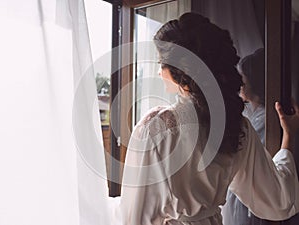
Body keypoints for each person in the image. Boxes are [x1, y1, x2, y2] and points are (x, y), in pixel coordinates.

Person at [119, 13, 299, 225]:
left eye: (161, 64)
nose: (159, 73)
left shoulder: (156, 127)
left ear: (181, 71)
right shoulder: (236, 125)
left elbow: (135, 217)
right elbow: (277, 200)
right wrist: (288, 136)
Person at [222, 49, 267, 225]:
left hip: (251, 194)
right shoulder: (253, 115)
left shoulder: (265, 119)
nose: (240, 82)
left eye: (244, 77)